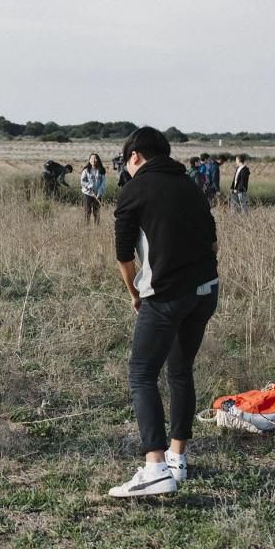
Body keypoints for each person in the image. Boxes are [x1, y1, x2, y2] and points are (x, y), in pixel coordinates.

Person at [109, 126, 219, 498]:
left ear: (135, 156)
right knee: (180, 370)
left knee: (141, 373)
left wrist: (135, 294)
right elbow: (213, 240)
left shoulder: (133, 190)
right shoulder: (191, 185)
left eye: (127, 161)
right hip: (206, 290)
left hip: (166, 295)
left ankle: (154, 467)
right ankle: (177, 459)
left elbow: (124, 255)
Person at [80, 153, 107, 225]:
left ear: (98, 160)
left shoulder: (101, 171)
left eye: (95, 158)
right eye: (91, 158)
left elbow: (103, 183)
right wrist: (89, 186)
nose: (93, 160)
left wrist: (99, 192)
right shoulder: (86, 170)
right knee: (87, 211)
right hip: (88, 193)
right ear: (89, 160)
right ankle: (86, 226)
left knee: (96, 211)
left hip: (97, 194)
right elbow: (82, 181)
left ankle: (97, 227)